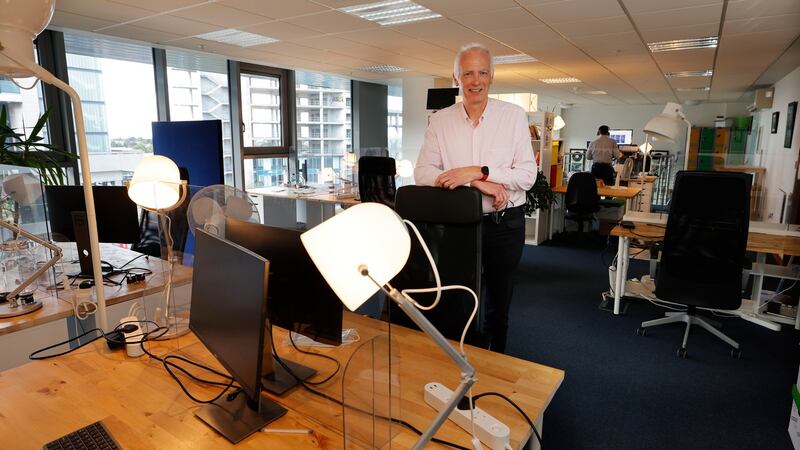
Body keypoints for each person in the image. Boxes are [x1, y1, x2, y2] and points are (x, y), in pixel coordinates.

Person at [414, 42, 536, 353]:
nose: (475, 80)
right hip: (458, 226)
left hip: (504, 224)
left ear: (492, 77)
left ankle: (496, 364)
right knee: (458, 300)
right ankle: (457, 365)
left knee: (498, 306)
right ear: (456, 78)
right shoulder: (440, 120)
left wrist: (478, 171)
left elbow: (526, 177)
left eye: (482, 72)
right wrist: (477, 183)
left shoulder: (513, 116)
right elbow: (423, 173)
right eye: (468, 73)